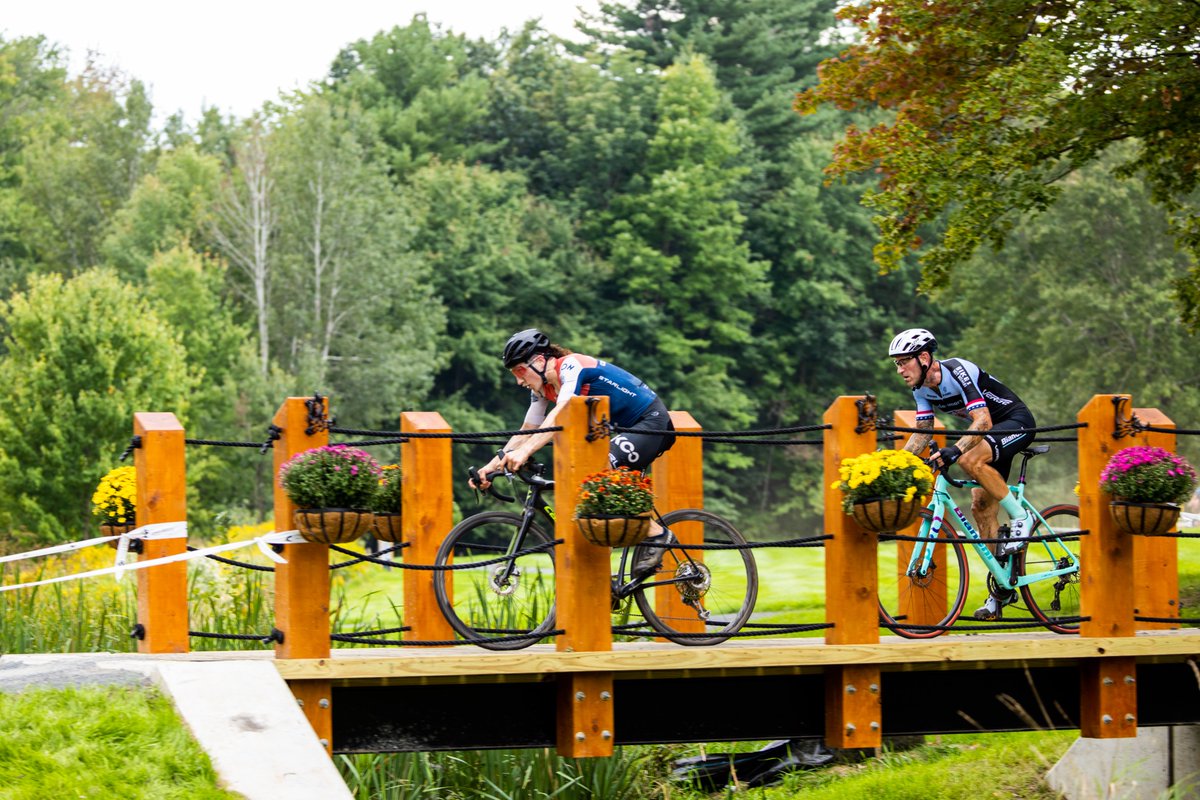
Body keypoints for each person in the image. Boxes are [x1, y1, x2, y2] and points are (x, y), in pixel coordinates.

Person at [472, 328, 677, 576]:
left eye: (519, 371)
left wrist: (525, 452)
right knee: (590, 498)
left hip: (650, 422)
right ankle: (604, 582)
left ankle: (658, 534)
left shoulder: (571, 366)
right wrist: (491, 465)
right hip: (620, 430)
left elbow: (560, 416)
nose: (518, 381)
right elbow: (527, 429)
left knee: (599, 475)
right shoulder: (540, 390)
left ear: (538, 361)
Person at [889, 328, 1038, 621]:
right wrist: (897, 465)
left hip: (1016, 422)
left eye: (904, 361)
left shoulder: (958, 371)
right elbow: (923, 431)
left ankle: (1022, 518)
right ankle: (1001, 591)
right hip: (993, 436)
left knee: (969, 458)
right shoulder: (920, 388)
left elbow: (982, 421)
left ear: (924, 357)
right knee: (981, 508)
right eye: (896, 363)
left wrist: (954, 451)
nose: (900, 369)